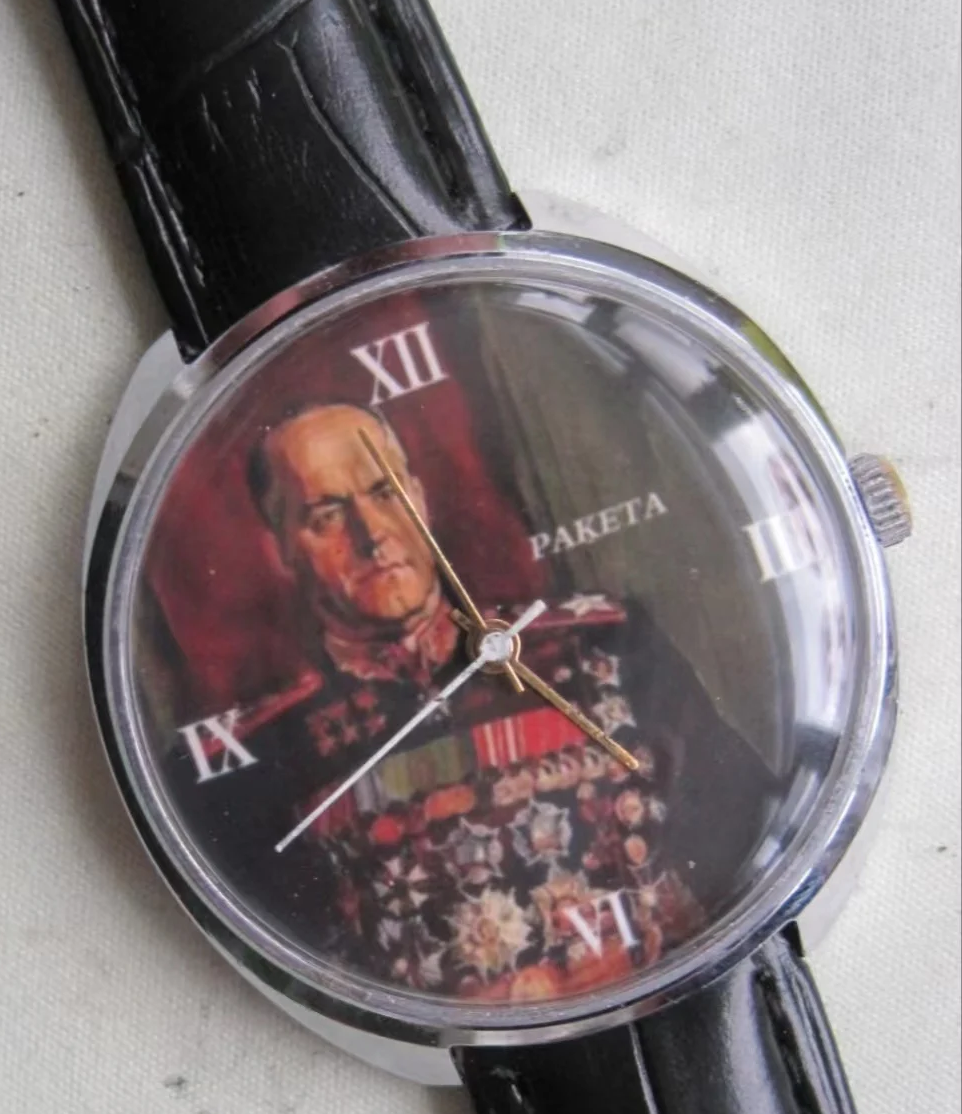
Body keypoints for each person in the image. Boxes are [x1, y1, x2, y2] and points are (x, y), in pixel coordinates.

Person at [164, 402, 777, 1002]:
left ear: (419, 496)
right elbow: (306, 972)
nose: (373, 535)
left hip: (690, 994)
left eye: (386, 493)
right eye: (327, 516)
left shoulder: (602, 644)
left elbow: (746, 835)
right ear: (280, 550)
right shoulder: (260, 760)